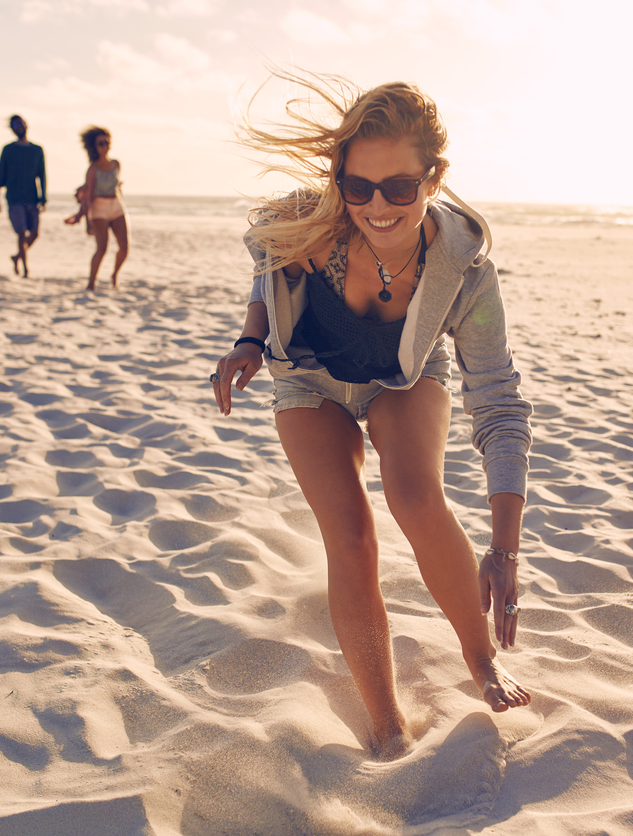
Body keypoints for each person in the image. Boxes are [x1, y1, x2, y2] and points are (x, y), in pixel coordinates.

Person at [213, 72, 532, 760]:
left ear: (433, 177)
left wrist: (504, 547)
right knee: (351, 535)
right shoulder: (307, 222)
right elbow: (268, 265)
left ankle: (481, 662)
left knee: (417, 496)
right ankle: (386, 724)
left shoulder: (466, 272)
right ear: (340, 180)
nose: (377, 206)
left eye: (399, 187)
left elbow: (499, 403)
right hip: (311, 385)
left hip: (402, 380)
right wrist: (248, 339)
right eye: (358, 188)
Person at [65, 126, 128, 291]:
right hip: (99, 208)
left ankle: (114, 275)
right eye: (100, 143)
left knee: (124, 247)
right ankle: (91, 283)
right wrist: (82, 217)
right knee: (102, 248)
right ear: (95, 146)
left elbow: (118, 188)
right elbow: (88, 196)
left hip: (117, 205)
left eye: (106, 142)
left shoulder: (116, 164)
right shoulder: (92, 170)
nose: (104, 146)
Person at [0, 114, 46, 278]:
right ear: (12, 129)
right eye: (15, 125)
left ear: (26, 125)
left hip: (32, 197)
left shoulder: (37, 150)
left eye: (20, 123)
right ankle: (25, 269)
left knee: (35, 233)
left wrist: (43, 197)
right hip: (14, 198)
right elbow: (1, 173)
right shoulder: (8, 150)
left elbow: (42, 175)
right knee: (22, 232)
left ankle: (17, 257)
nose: (19, 127)